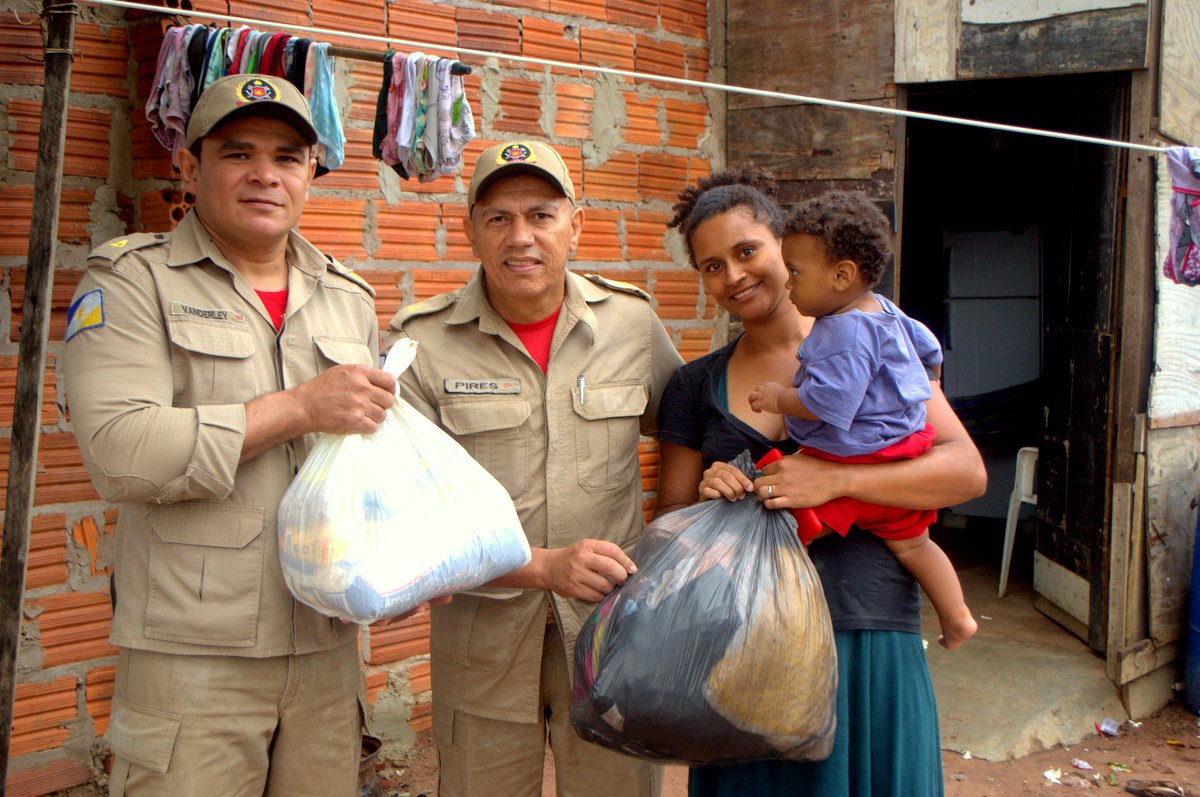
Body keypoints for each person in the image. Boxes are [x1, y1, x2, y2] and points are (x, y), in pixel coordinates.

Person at [62, 74, 401, 796]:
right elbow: (123, 452)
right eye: (237, 153)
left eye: (286, 157)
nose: (264, 175)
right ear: (191, 167)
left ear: (311, 172)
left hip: (326, 645)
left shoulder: (349, 297)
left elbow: (359, 460)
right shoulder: (131, 280)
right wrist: (300, 407)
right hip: (194, 657)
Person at [653, 167, 987, 796]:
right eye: (711, 266)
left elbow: (964, 472)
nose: (734, 276)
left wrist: (834, 480)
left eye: (747, 251)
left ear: (790, 248)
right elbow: (667, 524)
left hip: (864, 633)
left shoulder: (881, 346)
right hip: (745, 646)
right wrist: (709, 499)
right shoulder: (694, 385)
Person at [383, 140, 682, 796]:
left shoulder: (630, 324)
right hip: (482, 638)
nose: (520, 237)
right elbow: (406, 512)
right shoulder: (421, 344)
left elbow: (688, 431)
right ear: (469, 231)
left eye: (541, 215)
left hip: (612, 631)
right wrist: (544, 566)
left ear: (576, 224)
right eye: (498, 218)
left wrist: (676, 551)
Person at [746, 190, 977, 650]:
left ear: (841, 274)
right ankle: (958, 616)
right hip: (903, 446)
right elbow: (929, 351)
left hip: (861, 456)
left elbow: (830, 405)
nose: (788, 284)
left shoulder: (842, 331)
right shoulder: (884, 311)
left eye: (795, 273)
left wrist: (780, 398)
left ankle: (768, 613)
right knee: (914, 543)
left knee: (794, 523)